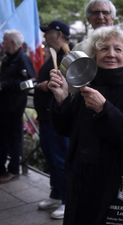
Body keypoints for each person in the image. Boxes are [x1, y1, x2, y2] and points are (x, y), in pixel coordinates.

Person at [47, 26, 123, 225]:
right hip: (82, 182)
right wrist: (61, 99)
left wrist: (104, 109)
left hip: (116, 184)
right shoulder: (86, 84)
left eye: (118, 49)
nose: (111, 54)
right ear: (93, 54)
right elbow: (65, 128)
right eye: (103, 49)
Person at [34, 20, 70, 219]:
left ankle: (67, 199)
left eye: (48, 32)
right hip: (47, 117)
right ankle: (56, 194)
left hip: (59, 118)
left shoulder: (69, 56)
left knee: (61, 159)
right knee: (51, 158)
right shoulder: (52, 55)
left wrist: (48, 85)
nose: (45, 36)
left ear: (58, 34)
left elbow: (71, 84)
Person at [0, 30, 35, 183]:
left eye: (4, 40)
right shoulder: (8, 58)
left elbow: (30, 82)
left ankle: (14, 170)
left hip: (14, 107)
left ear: (13, 43)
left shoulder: (23, 59)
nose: (2, 43)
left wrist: (5, 85)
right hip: (4, 106)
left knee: (14, 138)